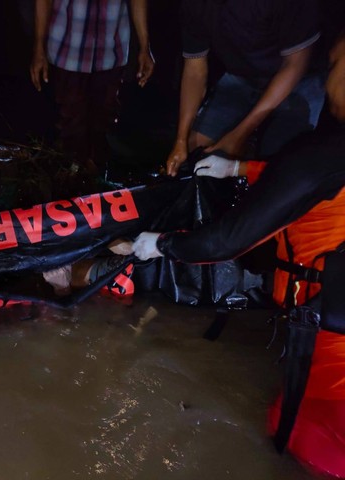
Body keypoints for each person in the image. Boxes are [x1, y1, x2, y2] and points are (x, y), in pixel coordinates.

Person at [126, 32, 345, 477]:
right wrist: (241, 167)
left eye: (338, 60)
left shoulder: (326, 152)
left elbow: (226, 241)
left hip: (334, 358)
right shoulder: (324, 159)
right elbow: (321, 187)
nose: (327, 73)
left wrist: (159, 245)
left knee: (294, 430)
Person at [165, 0, 326, 176]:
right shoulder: (194, 5)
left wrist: (239, 134)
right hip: (241, 78)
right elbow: (195, 71)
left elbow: (295, 66)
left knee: (277, 170)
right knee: (194, 156)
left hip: (299, 83)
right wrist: (181, 139)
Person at [30, 0, 154, 172]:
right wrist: (38, 47)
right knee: (70, 127)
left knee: (104, 127)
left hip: (111, 48)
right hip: (68, 47)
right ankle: (71, 183)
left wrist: (144, 47)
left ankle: (97, 183)